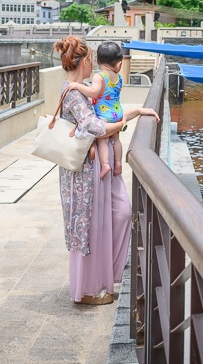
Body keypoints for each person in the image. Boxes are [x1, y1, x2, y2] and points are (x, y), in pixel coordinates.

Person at [52, 36, 160, 305]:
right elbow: (96, 126)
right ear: (87, 60)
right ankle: (88, 290)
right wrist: (123, 122)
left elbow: (106, 112)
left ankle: (103, 279)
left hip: (97, 168)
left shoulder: (85, 87)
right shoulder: (74, 92)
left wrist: (138, 110)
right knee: (88, 228)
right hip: (84, 174)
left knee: (120, 214)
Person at [65, 41, 126, 179]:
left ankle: (105, 165)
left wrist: (77, 86)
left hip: (105, 115)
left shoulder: (99, 76)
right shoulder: (119, 78)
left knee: (102, 140)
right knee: (116, 139)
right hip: (117, 112)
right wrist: (122, 122)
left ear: (98, 61)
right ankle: (118, 162)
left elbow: (93, 92)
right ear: (118, 63)